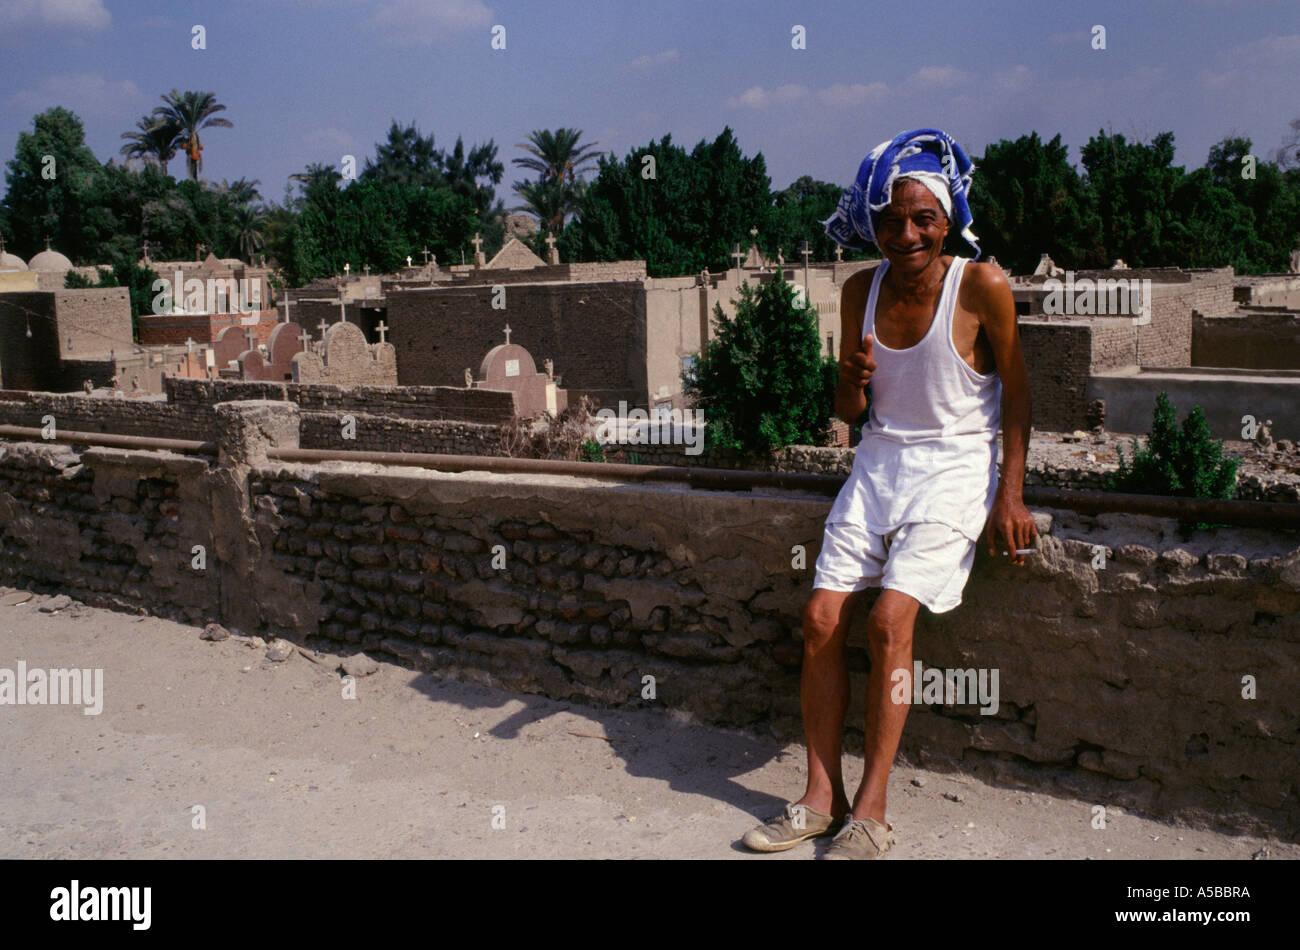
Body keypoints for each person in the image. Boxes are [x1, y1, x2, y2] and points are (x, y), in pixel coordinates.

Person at [742, 128, 1037, 859]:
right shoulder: (857, 290)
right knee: (818, 618)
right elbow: (849, 412)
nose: (905, 235)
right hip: (878, 467)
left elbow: (1020, 395)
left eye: (921, 219)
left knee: (889, 621)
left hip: (956, 468)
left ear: (947, 219)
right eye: (890, 221)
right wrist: (851, 380)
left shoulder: (982, 286)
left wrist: (1011, 495)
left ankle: (870, 810)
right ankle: (820, 796)